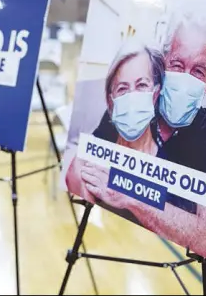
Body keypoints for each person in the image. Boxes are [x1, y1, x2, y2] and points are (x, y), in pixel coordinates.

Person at [72, 14, 206, 264]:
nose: (185, 79)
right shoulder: (133, 109)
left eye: (199, 71)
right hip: (115, 245)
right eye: (177, 65)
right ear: (162, 65)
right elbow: (81, 167)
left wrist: (130, 195)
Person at [65, 40, 164, 223]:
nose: (131, 97)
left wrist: (129, 200)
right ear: (111, 101)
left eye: (142, 85)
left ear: (156, 93)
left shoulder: (170, 154)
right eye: (122, 88)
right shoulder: (108, 129)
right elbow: (75, 169)